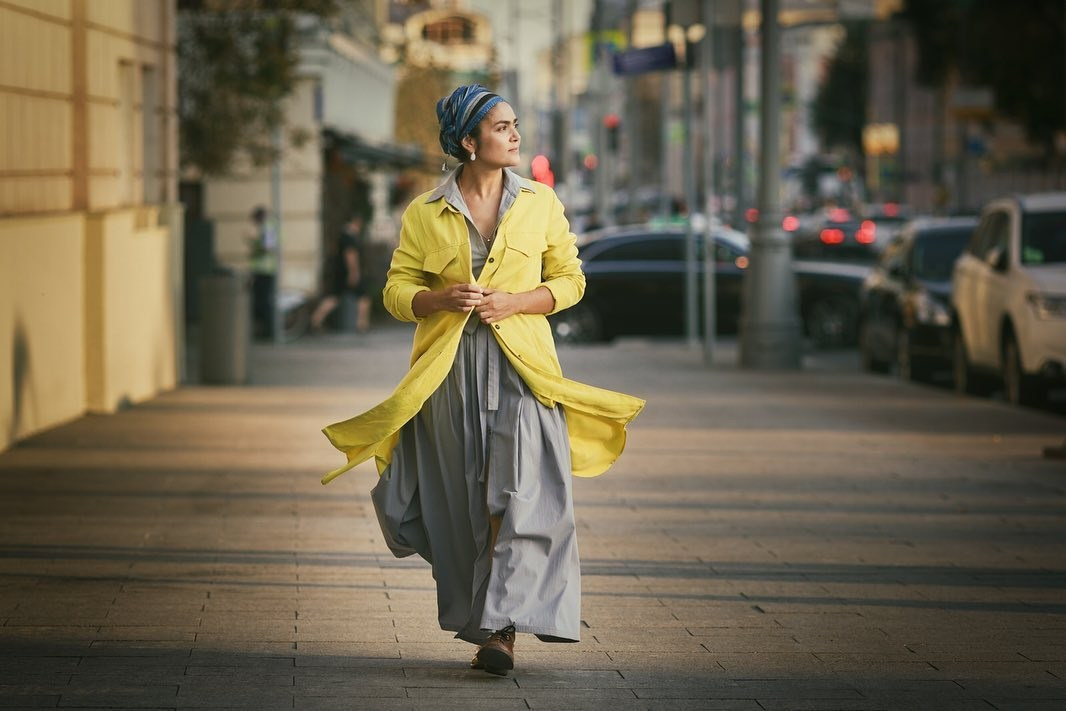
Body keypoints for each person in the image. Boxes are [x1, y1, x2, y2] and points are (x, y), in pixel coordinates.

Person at [320, 84, 645, 676]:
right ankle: (488, 621)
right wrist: (438, 298)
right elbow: (395, 291)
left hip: (523, 369)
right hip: (449, 373)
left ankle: (502, 630)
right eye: (501, 127)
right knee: (465, 504)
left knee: (519, 494)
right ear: (469, 141)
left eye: (514, 124)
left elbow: (571, 281)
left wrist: (516, 301)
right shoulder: (425, 212)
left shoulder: (540, 202)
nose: (516, 135)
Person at [311, 214, 371, 333]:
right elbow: (351, 255)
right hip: (348, 273)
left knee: (334, 297)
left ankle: (315, 320)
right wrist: (354, 273)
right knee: (364, 296)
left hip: (340, 272)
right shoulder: (350, 237)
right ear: (356, 222)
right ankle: (362, 324)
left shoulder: (342, 235)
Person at [246, 205, 277, 339]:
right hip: (264, 270)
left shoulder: (268, 227)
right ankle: (265, 331)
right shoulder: (269, 226)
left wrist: (253, 245)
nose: (255, 223)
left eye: (255, 219)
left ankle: (267, 332)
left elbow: (268, 248)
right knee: (262, 301)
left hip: (264, 270)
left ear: (260, 217)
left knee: (262, 302)